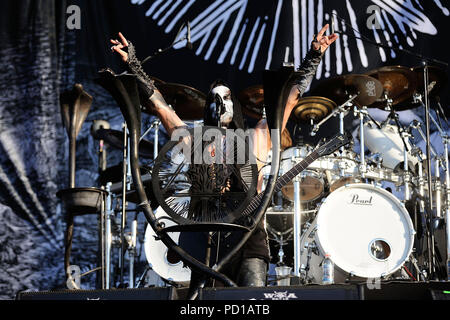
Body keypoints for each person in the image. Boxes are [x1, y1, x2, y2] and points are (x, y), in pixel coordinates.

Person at [109, 24, 337, 288]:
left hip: (249, 243)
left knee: (250, 302)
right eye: (214, 99)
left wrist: (314, 56)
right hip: (204, 242)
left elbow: (288, 101)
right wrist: (134, 63)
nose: (220, 104)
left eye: (226, 97)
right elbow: (159, 105)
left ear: (235, 106)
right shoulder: (191, 141)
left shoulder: (255, 139)